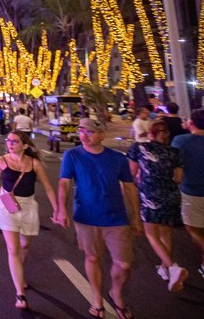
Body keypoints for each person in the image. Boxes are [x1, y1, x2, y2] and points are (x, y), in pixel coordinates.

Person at [56, 118, 141, 319]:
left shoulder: (117, 158)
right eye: (81, 131)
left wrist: (136, 216)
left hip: (116, 217)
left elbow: (129, 187)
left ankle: (115, 292)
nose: (84, 135)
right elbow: (64, 183)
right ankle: (96, 298)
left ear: (102, 134)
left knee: (124, 264)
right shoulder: (72, 155)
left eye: (90, 131)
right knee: (92, 257)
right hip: (86, 216)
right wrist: (61, 209)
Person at [0, 131, 57, 310]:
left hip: (28, 206)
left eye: (15, 141)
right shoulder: (1, 161)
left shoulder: (34, 164)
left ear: (25, 145)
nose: (10, 144)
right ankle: (20, 293)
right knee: (13, 249)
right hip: (6, 205)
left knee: (25, 245)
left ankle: (19, 272)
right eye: (9, 141)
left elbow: (49, 188)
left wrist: (57, 209)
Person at [127, 120, 188, 292]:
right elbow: (179, 177)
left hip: (150, 196)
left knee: (151, 234)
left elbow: (131, 172)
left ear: (150, 134)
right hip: (171, 195)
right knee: (165, 232)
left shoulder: (139, 148)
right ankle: (165, 269)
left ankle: (172, 267)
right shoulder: (175, 152)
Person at [172, 108, 204, 280]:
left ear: (191, 123)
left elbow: (173, 163)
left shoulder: (180, 141)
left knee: (194, 230)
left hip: (192, 192)